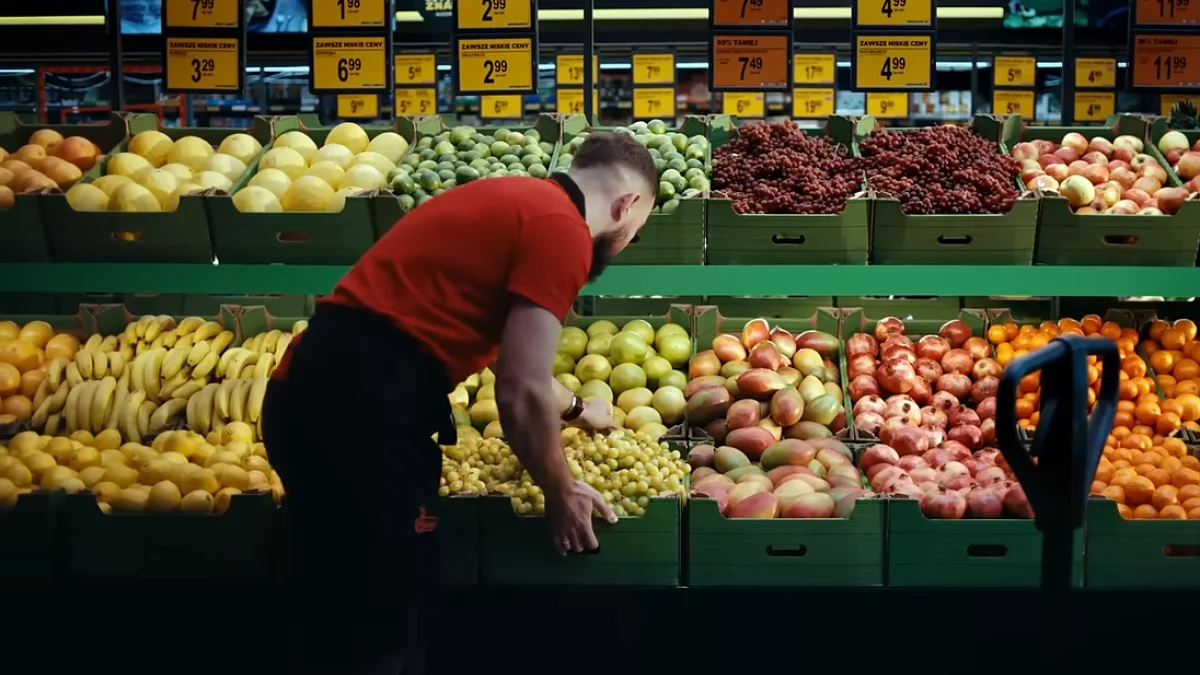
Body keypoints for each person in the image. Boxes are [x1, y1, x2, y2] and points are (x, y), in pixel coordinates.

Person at [260, 130, 659, 673]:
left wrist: (575, 408)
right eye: (635, 232)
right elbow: (518, 389)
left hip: (305, 397)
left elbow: (505, 353)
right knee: (388, 612)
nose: (627, 242)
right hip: (360, 419)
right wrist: (560, 490)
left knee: (336, 598)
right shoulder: (563, 230)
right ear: (626, 205)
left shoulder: (514, 198)